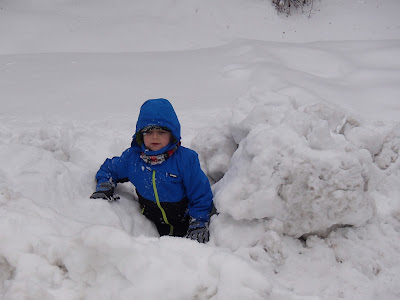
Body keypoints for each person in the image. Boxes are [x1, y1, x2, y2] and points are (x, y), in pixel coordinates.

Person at [90, 98, 214, 243]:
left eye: (161, 132)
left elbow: (200, 193)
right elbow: (109, 169)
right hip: (150, 225)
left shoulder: (185, 159)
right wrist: (105, 183)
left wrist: (198, 221)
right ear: (140, 135)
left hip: (184, 220)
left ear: (172, 134)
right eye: (148, 132)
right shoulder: (133, 158)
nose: (155, 137)